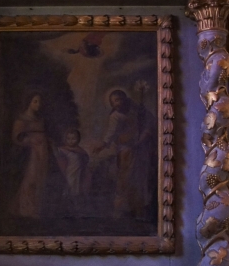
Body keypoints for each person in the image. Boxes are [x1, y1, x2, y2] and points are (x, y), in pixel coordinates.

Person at [94, 89, 156, 219]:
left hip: (140, 150)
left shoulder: (136, 111)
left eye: (118, 99)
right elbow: (110, 134)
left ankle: (138, 208)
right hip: (125, 151)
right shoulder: (115, 116)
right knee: (124, 178)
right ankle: (121, 209)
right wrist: (103, 144)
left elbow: (148, 123)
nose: (117, 103)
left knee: (139, 178)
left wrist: (143, 137)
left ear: (124, 99)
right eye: (113, 102)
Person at [10, 91, 49, 218]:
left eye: (39, 101)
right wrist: (30, 140)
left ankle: (36, 210)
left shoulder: (40, 119)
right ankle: (26, 210)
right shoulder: (22, 119)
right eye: (35, 101)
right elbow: (17, 137)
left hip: (42, 153)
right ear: (29, 102)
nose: (39, 104)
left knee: (40, 181)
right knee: (30, 180)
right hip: (30, 154)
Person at [54, 129, 90, 211]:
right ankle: (64, 206)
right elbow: (57, 158)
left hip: (77, 173)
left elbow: (86, 158)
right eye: (68, 139)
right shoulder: (62, 149)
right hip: (67, 172)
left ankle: (75, 207)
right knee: (67, 187)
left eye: (73, 139)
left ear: (78, 139)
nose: (71, 141)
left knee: (76, 189)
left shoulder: (80, 151)